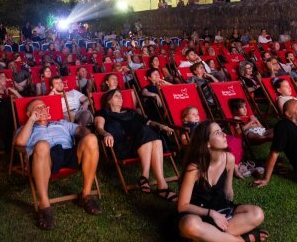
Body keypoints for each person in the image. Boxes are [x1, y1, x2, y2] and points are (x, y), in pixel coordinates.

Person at [177, 121, 268, 242]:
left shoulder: (229, 159)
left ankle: (203, 238)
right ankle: (241, 240)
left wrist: (231, 206)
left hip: (222, 209)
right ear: (207, 143)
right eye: (217, 133)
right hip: (198, 213)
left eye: (222, 131)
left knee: (257, 213)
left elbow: (228, 192)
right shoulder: (195, 168)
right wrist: (211, 213)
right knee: (189, 225)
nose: (224, 134)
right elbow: (182, 206)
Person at [14, 98, 101, 230]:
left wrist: (84, 135)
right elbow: (20, 144)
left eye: (43, 107)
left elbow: (81, 130)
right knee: (42, 145)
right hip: (45, 158)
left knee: (91, 139)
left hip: (67, 152)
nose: (42, 110)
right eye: (37, 108)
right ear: (29, 114)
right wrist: (31, 120)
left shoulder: (61, 123)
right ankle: (44, 206)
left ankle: (86, 196)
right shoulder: (25, 129)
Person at [95, 88, 177, 202]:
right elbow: (99, 127)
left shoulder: (131, 112)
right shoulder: (103, 113)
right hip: (121, 146)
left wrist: (161, 126)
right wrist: (106, 133)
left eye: (121, 96)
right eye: (116, 96)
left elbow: (149, 122)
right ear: (109, 101)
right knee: (146, 131)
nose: (121, 98)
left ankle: (160, 184)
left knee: (156, 139)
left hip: (141, 145)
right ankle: (149, 179)